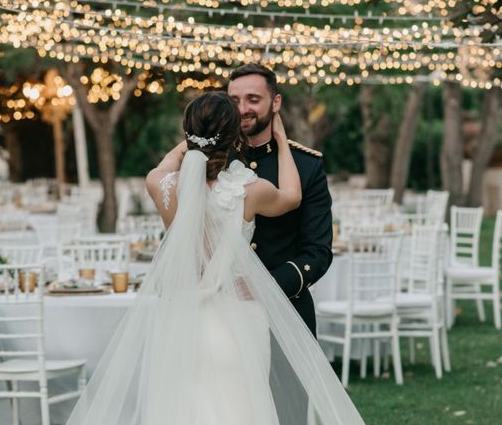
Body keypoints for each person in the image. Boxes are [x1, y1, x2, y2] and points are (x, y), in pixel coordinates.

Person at [67, 91, 363, 425]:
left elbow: (164, 166)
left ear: (187, 134)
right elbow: (293, 196)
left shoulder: (161, 186)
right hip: (236, 323)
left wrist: (191, 146)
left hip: (179, 323)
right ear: (235, 137)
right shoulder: (250, 191)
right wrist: (280, 139)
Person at [228, 63, 333, 336]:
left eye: (253, 99)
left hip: (288, 310)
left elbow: (317, 252)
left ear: (276, 102)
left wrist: (266, 287)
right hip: (224, 312)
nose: (242, 109)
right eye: (234, 100)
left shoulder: (306, 166)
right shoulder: (214, 161)